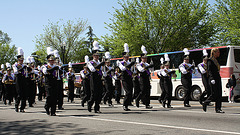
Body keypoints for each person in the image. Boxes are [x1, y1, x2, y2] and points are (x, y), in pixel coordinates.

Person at [202, 48, 225, 113]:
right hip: (213, 78)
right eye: (218, 52)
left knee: (219, 94)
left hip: (217, 77)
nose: (219, 53)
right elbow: (209, 70)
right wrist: (211, 78)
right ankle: (205, 102)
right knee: (214, 94)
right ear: (214, 52)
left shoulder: (216, 60)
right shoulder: (210, 60)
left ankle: (218, 108)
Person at [87, 41, 105, 113]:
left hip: (99, 79)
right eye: (95, 55)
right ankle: (90, 103)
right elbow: (93, 69)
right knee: (94, 93)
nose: (97, 57)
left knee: (100, 93)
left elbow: (102, 71)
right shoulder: (90, 62)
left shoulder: (99, 62)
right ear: (93, 56)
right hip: (93, 78)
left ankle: (97, 108)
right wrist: (100, 64)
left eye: (98, 55)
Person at [117, 43, 135, 111]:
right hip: (124, 78)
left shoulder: (129, 63)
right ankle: (125, 105)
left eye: (128, 57)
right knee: (128, 92)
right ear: (123, 57)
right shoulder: (120, 62)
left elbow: (132, 71)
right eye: (126, 57)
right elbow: (123, 69)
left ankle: (128, 104)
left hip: (130, 78)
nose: (127, 58)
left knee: (130, 92)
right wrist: (130, 65)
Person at [42, 47, 59, 116]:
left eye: (53, 60)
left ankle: (53, 111)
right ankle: (47, 106)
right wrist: (53, 69)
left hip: (55, 82)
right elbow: (45, 72)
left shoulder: (55, 66)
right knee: (49, 96)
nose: (52, 62)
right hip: (48, 83)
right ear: (48, 61)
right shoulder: (45, 67)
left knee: (54, 97)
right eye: (50, 60)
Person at [12, 47, 27, 112]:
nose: (21, 61)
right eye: (20, 60)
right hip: (18, 79)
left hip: (24, 79)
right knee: (19, 94)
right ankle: (16, 105)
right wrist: (22, 68)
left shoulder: (24, 65)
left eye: (22, 60)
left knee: (24, 94)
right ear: (18, 59)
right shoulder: (15, 65)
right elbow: (15, 72)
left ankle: (22, 108)